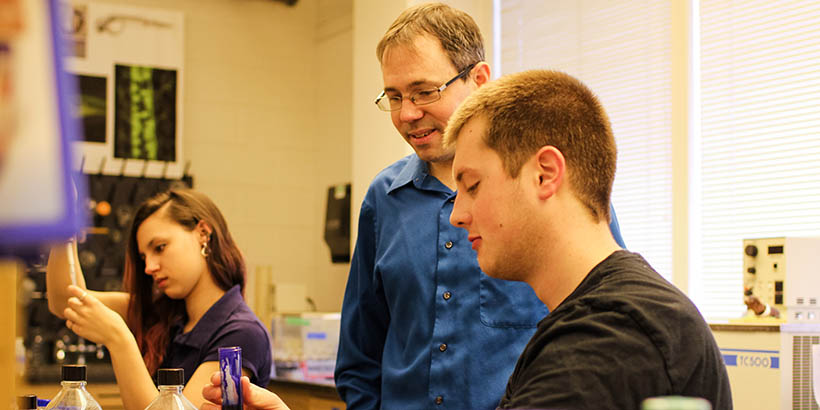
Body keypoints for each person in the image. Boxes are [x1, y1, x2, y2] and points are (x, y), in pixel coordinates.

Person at [333, 3, 626, 410]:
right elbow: (359, 358)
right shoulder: (383, 200)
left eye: (424, 91)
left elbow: (608, 322)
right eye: (395, 96)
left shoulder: (551, 187)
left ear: (479, 79)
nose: (408, 114)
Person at [444, 69, 733, 410]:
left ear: (545, 174)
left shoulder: (608, 339)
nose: (457, 215)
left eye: (473, 186)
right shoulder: (603, 318)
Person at [47, 188, 272, 410]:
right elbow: (66, 301)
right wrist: (64, 222)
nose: (149, 267)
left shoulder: (242, 334)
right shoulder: (165, 315)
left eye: (160, 247)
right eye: (144, 257)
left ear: (203, 234)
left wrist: (118, 338)